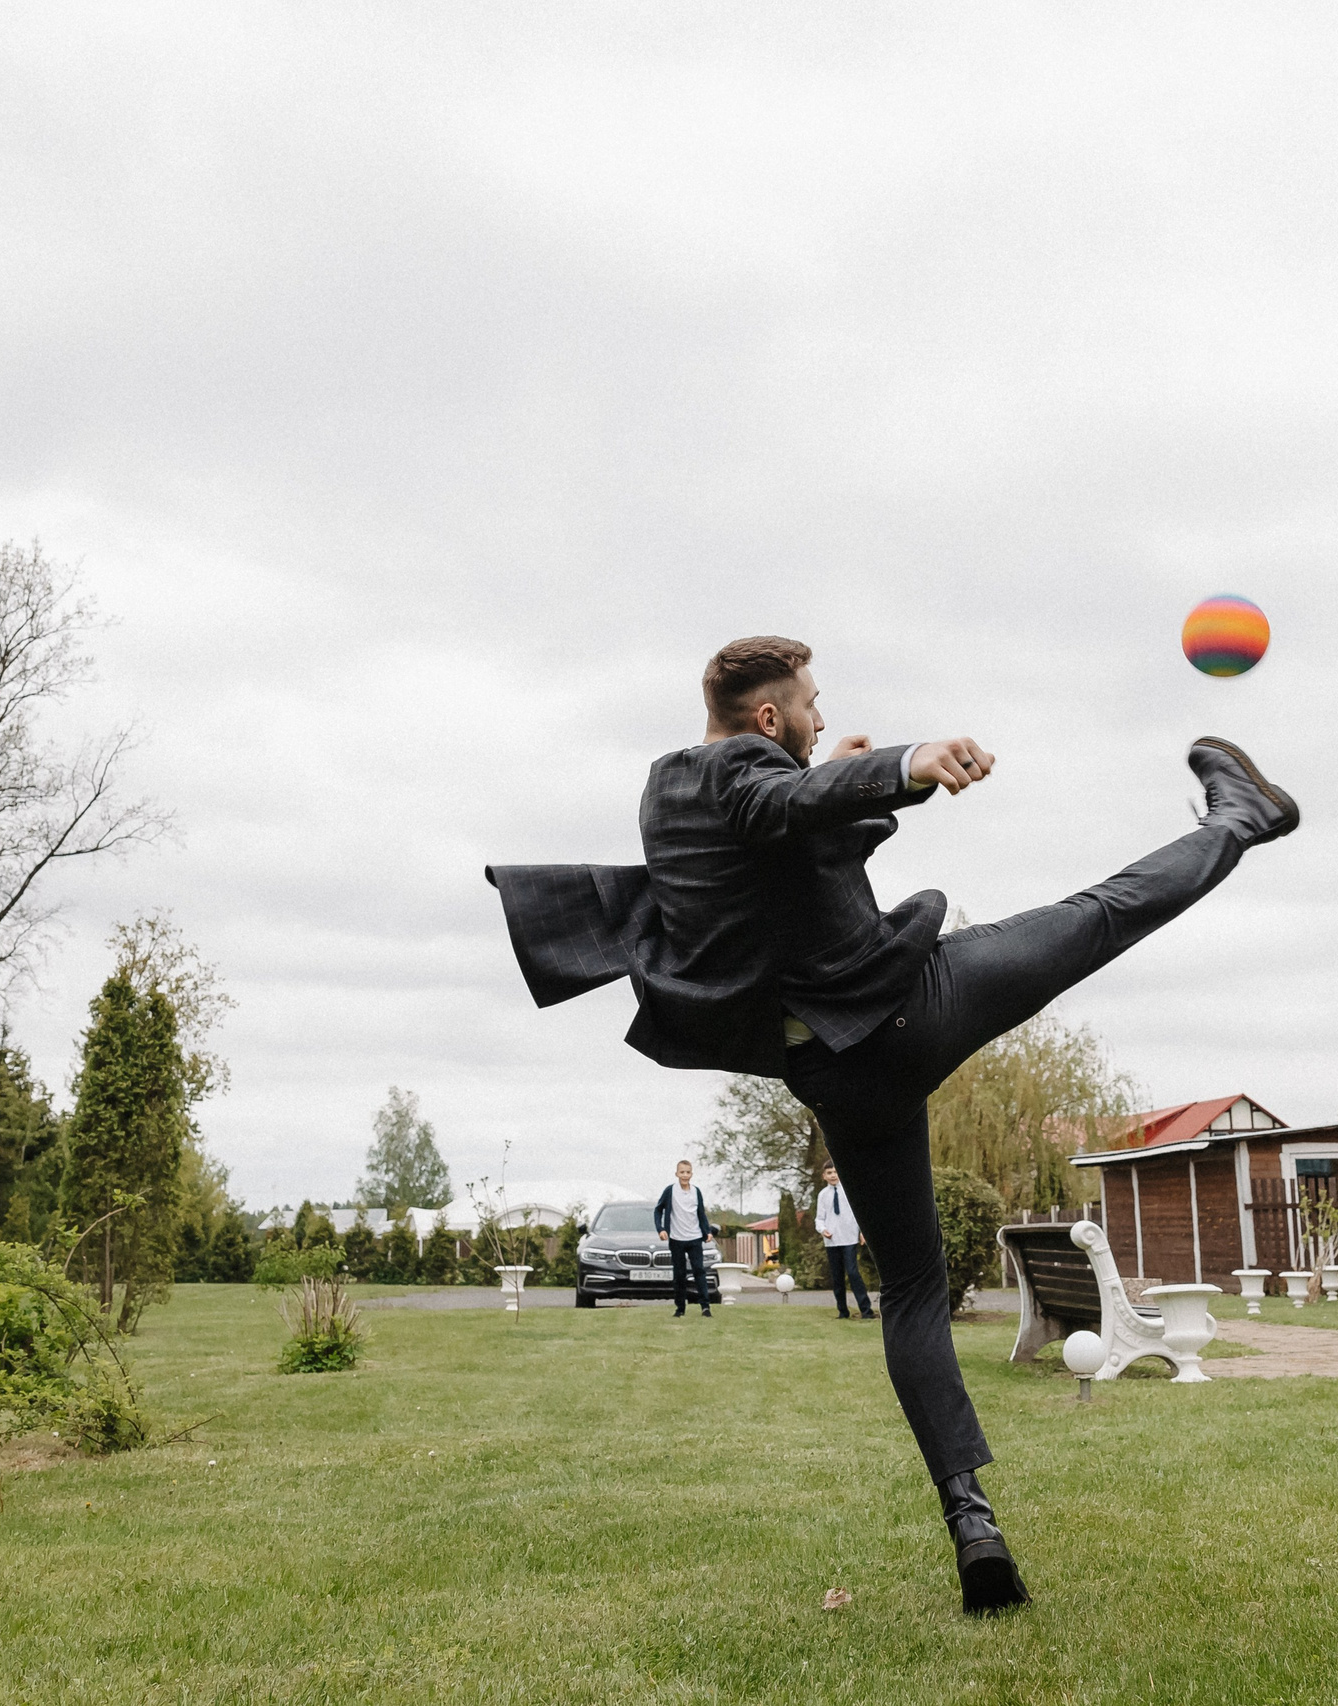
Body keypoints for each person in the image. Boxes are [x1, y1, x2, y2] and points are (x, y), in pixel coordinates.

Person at [486, 635, 1297, 1615]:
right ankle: (1242, 818)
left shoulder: (671, 794)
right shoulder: (743, 771)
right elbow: (773, 798)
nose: (821, 715)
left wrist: (841, 778)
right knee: (1100, 913)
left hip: (837, 1077)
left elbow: (780, 830)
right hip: (912, 1005)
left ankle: (972, 1523)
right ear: (767, 717)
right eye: (811, 706)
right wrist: (905, 764)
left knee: (912, 1288)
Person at [653, 1159, 714, 1317]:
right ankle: (680, 1308)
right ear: (676, 1174)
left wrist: (707, 1231)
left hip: (694, 1238)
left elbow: (701, 1213)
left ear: (691, 1174)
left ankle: (705, 1307)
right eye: (682, 1172)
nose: (685, 1175)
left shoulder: (696, 1191)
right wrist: (661, 1229)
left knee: (699, 1271)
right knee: (679, 1274)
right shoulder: (670, 1191)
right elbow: (658, 1210)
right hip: (676, 1239)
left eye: (688, 1172)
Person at [815, 1161, 874, 1320]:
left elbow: (859, 1213)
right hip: (832, 1241)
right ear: (824, 1176)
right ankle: (842, 1311)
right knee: (837, 1277)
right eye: (829, 1173)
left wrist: (863, 1231)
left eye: (835, 1172)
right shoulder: (823, 1195)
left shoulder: (849, 1191)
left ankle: (866, 1311)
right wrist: (823, 1230)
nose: (833, 1175)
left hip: (849, 1238)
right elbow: (819, 1219)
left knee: (853, 1273)